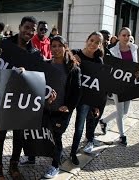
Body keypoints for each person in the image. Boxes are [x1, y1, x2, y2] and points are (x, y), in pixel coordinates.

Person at [0, 16, 43, 180]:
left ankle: (14, 165)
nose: (29, 32)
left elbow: (38, 77)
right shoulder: (4, 45)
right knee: (0, 135)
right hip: (2, 98)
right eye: (26, 27)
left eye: (32, 29)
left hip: (22, 101)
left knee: (19, 135)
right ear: (20, 27)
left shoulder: (34, 54)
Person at [43, 35, 81, 179]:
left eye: (60, 45)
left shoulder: (73, 68)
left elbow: (77, 91)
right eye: (53, 46)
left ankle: (55, 165)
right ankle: (32, 157)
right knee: (42, 134)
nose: (56, 49)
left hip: (61, 110)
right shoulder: (46, 64)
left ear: (65, 47)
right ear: (50, 48)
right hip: (46, 108)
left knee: (56, 137)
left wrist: (68, 107)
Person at [69, 31, 104, 165]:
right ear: (87, 40)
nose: (93, 44)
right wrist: (72, 62)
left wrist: (95, 105)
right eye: (92, 40)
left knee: (79, 127)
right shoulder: (75, 53)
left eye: (97, 42)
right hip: (71, 96)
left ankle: (73, 153)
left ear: (100, 45)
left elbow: (98, 84)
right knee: (62, 125)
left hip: (86, 99)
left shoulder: (98, 60)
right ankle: (56, 152)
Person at [100, 27, 138, 146]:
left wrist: (137, 72)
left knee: (125, 111)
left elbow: (135, 65)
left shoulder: (133, 48)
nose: (126, 37)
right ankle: (122, 136)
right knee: (120, 111)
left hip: (130, 83)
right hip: (118, 84)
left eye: (128, 35)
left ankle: (104, 121)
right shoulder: (113, 50)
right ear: (119, 36)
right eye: (124, 35)